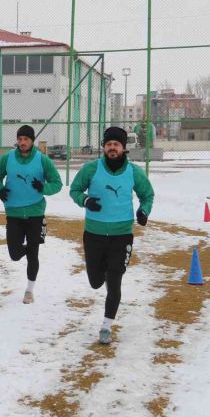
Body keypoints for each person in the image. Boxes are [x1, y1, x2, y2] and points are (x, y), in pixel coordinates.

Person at [69, 126, 154, 344]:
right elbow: (75, 190)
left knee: (114, 283)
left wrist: (144, 211)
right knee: (96, 282)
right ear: (104, 147)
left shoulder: (134, 172)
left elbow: (147, 194)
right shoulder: (91, 169)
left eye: (116, 144)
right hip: (94, 234)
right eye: (108, 144)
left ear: (124, 148)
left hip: (121, 235)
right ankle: (104, 275)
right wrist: (86, 201)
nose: (112, 148)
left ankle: (106, 327)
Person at [0, 125, 62, 304]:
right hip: (14, 212)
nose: (22, 142)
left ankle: (29, 291)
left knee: (33, 254)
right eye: (20, 139)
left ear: (32, 141)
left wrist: (44, 188)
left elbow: (57, 183)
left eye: (26, 139)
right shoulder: (8, 158)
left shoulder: (42, 159)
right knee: (15, 254)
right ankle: (29, 249)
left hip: (35, 213)